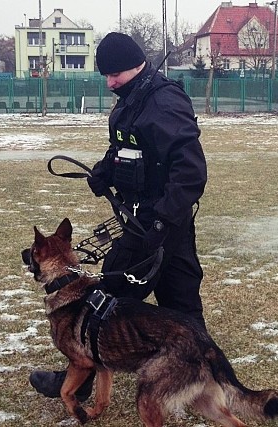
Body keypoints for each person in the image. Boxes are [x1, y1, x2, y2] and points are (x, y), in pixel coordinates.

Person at [30, 32, 208, 400]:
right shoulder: (132, 100)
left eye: (115, 74)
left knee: (104, 298)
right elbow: (124, 147)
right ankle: (201, 378)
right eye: (105, 75)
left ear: (137, 65)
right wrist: (104, 171)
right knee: (182, 301)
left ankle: (77, 386)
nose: (110, 82)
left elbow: (190, 172)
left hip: (157, 222)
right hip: (146, 218)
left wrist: (161, 222)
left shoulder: (163, 101)